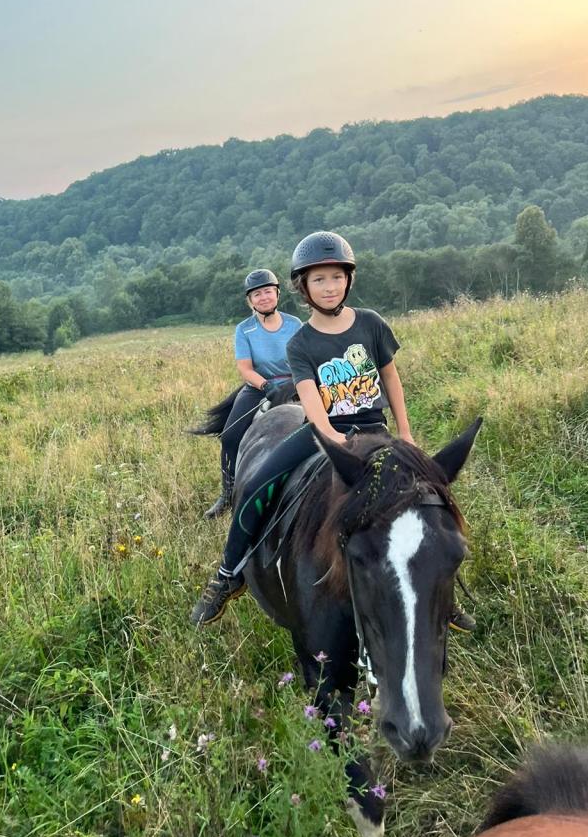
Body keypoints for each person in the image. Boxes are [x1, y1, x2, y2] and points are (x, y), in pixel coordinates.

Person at [191, 231, 476, 632]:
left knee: (430, 497)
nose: (329, 286)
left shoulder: (372, 324)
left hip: (376, 431)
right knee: (256, 486)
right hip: (322, 436)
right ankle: (226, 575)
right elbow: (308, 397)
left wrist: (406, 435)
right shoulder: (301, 342)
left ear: (349, 279)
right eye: (319, 279)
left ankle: (443, 597)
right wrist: (331, 437)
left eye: (336, 277)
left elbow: (390, 379)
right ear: (303, 287)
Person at [204, 269, 301, 518]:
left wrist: (293, 385)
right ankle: (227, 494)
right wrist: (267, 387)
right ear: (250, 301)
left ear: (277, 293)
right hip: (259, 386)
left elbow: (303, 359)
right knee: (230, 435)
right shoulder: (243, 330)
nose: (264, 297)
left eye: (268, 291)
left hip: (294, 383)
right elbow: (245, 368)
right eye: (257, 294)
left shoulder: (294, 324)